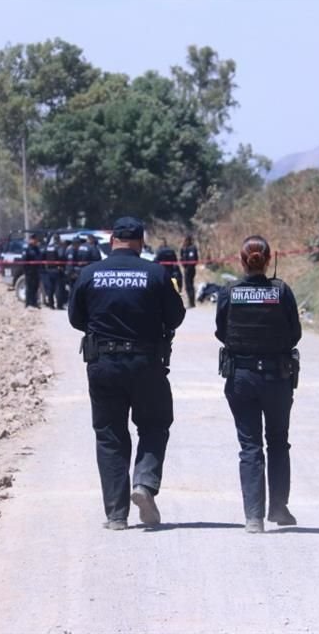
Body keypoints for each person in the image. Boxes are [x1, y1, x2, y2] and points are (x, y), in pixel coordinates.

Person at [69, 217, 186, 530]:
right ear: (141, 243)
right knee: (154, 425)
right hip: (147, 363)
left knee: (110, 436)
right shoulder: (156, 273)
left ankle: (116, 515)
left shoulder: (90, 274)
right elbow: (175, 317)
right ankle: (144, 485)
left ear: (111, 242)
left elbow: (76, 319)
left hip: (103, 364)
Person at [215, 235, 302, 534]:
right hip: (277, 378)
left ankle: (253, 518)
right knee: (277, 441)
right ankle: (278, 507)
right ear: (268, 261)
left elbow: (221, 331)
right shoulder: (282, 291)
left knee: (250, 446)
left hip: (241, 377)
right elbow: (295, 334)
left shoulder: (230, 291)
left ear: (242, 261)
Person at [42, 234, 63, 309]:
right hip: (56, 270)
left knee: (50, 288)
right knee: (58, 288)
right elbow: (61, 256)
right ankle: (59, 305)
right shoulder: (58, 247)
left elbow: (43, 256)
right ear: (58, 239)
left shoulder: (48, 247)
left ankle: (51, 305)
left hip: (48, 270)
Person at [23, 233, 42, 309]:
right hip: (29, 272)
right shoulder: (27, 249)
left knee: (35, 288)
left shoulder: (37, 249)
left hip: (36, 271)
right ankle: (28, 303)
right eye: (33, 239)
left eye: (35, 239)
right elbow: (24, 261)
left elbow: (40, 258)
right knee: (29, 288)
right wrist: (26, 271)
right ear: (30, 240)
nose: (34, 241)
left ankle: (34, 303)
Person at [180, 235, 199, 308]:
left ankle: (192, 302)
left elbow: (193, 259)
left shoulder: (192, 248)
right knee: (187, 286)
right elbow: (182, 258)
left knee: (190, 285)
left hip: (190, 269)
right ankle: (190, 302)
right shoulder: (184, 248)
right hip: (186, 269)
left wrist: (188, 268)